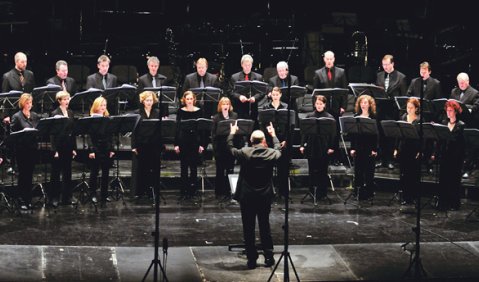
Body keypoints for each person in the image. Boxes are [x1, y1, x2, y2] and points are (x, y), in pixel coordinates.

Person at [228, 120, 281, 269]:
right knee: (265, 226)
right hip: (264, 196)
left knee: (248, 227)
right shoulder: (271, 153)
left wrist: (232, 133)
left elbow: (230, 148)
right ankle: (269, 257)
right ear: (264, 141)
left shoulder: (245, 152)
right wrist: (274, 135)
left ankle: (252, 259)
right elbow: (278, 149)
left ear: (251, 141)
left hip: (248, 196)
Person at [313, 51, 348, 166]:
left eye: (330, 59)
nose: (329, 61)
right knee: (324, 132)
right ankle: (323, 156)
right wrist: (316, 106)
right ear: (324, 59)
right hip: (323, 108)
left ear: (334, 59)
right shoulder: (318, 73)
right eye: (327, 59)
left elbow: (344, 92)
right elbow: (315, 92)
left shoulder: (341, 72)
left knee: (335, 133)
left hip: (336, 107)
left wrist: (344, 106)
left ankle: (335, 157)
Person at [299, 95, 335, 200]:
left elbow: (333, 134)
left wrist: (331, 147)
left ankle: (322, 193)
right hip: (311, 146)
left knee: (323, 171)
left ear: (324, 105)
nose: (319, 106)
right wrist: (302, 145)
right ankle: (312, 192)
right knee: (312, 170)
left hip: (324, 146)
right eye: (317, 103)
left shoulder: (329, 117)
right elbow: (304, 133)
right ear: (315, 104)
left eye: (321, 104)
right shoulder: (310, 116)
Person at [375, 54, 408, 170]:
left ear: (393, 64)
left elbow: (403, 97)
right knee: (381, 136)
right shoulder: (379, 76)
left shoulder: (401, 77)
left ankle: (390, 160)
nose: (385, 67)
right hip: (381, 110)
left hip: (393, 111)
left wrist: (402, 113)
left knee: (391, 136)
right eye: (384, 65)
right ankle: (381, 159)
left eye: (388, 64)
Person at [432, 100, 465, 211]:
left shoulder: (461, 125)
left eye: (451, 111)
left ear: (455, 111)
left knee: (454, 180)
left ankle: (453, 203)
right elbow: (439, 141)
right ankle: (443, 202)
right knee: (444, 179)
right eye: (447, 110)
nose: (448, 113)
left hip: (455, 158)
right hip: (444, 156)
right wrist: (435, 154)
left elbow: (461, 144)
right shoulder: (443, 123)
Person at [10, 93, 40, 210]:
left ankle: (28, 199)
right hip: (21, 151)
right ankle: (21, 199)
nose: (29, 105)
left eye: (31, 103)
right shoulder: (17, 117)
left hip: (32, 149)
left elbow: (39, 130)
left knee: (30, 174)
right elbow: (12, 135)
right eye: (27, 103)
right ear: (22, 103)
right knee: (23, 175)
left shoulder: (35, 115)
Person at [174, 91, 205, 199]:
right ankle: (184, 190)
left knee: (193, 167)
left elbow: (202, 129)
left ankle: (193, 190)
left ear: (194, 100)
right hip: (183, 140)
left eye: (191, 99)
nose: (189, 101)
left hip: (195, 140)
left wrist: (201, 144)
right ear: (184, 100)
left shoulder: (199, 111)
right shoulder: (180, 111)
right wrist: (176, 144)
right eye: (187, 99)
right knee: (184, 167)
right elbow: (177, 129)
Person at [131, 91, 161, 199]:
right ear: (143, 101)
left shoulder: (157, 112)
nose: (149, 102)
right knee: (142, 168)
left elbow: (160, 130)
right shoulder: (137, 113)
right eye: (147, 100)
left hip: (153, 144)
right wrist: (133, 146)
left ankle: (151, 191)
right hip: (141, 144)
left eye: (151, 100)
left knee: (153, 168)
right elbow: (134, 132)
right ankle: (140, 191)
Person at [49, 91, 76, 207]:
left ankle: (67, 197)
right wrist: (54, 150)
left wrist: (74, 148)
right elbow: (52, 134)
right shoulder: (54, 113)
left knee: (67, 172)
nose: (67, 101)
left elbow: (73, 132)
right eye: (64, 99)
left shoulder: (70, 113)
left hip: (68, 146)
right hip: (58, 146)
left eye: (68, 99)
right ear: (59, 101)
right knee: (56, 172)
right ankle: (54, 197)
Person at [450, 72, 479, 178]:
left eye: (463, 82)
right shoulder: (454, 91)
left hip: (468, 124)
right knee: (456, 147)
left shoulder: (475, 93)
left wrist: (462, 107)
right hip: (456, 123)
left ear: (468, 81)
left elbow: (475, 107)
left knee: (468, 149)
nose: (461, 84)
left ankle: (467, 168)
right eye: (459, 83)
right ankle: (455, 168)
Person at [261, 87, 289, 198]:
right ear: (271, 95)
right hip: (269, 141)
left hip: (283, 141)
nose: (275, 96)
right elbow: (262, 124)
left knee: (283, 169)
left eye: (277, 94)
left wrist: (286, 140)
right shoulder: (266, 107)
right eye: (273, 94)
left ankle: (283, 193)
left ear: (280, 95)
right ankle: (269, 192)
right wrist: (265, 140)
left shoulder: (286, 107)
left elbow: (290, 126)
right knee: (268, 169)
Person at [350, 94, 378, 200]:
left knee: (369, 172)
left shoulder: (373, 118)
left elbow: (376, 135)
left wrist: (375, 149)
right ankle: (358, 192)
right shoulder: (356, 117)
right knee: (358, 171)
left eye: (365, 102)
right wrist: (352, 148)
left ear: (370, 104)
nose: (363, 104)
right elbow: (353, 135)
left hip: (369, 148)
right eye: (361, 102)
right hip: (358, 147)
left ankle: (369, 192)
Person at [393, 97, 421, 206]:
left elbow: (421, 138)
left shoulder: (419, 121)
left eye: (411, 108)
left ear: (416, 109)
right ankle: (405, 196)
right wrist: (396, 148)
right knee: (403, 174)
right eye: (407, 107)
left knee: (412, 174)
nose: (409, 110)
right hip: (403, 148)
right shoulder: (403, 117)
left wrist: (419, 151)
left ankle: (412, 196)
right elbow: (398, 135)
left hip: (413, 150)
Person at [88, 96, 114, 207]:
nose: (103, 107)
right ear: (96, 106)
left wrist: (111, 149)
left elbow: (110, 135)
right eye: (101, 105)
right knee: (94, 172)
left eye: (104, 105)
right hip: (96, 148)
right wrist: (91, 150)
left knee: (106, 172)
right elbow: (89, 136)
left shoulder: (107, 119)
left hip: (106, 148)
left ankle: (104, 194)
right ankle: (92, 194)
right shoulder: (91, 119)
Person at [211, 97, 238, 198]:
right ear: (220, 106)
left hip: (230, 146)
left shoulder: (234, 115)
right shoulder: (216, 118)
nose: (225, 106)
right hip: (220, 147)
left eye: (227, 104)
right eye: (223, 104)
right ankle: (219, 192)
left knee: (230, 170)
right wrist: (215, 150)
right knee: (220, 170)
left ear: (230, 105)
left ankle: (229, 191)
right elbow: (213, 135)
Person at [229, 54, 264, 120]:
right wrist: (239, 96)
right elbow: (230, 91)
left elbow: (262, 92)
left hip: (253, 108)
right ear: (242, 65)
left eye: (249, 65)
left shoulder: (259, 77)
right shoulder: (234, 77)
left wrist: (255, 97)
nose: (247, 67)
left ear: (252, 65)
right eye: (245, 65)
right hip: (239, 108)